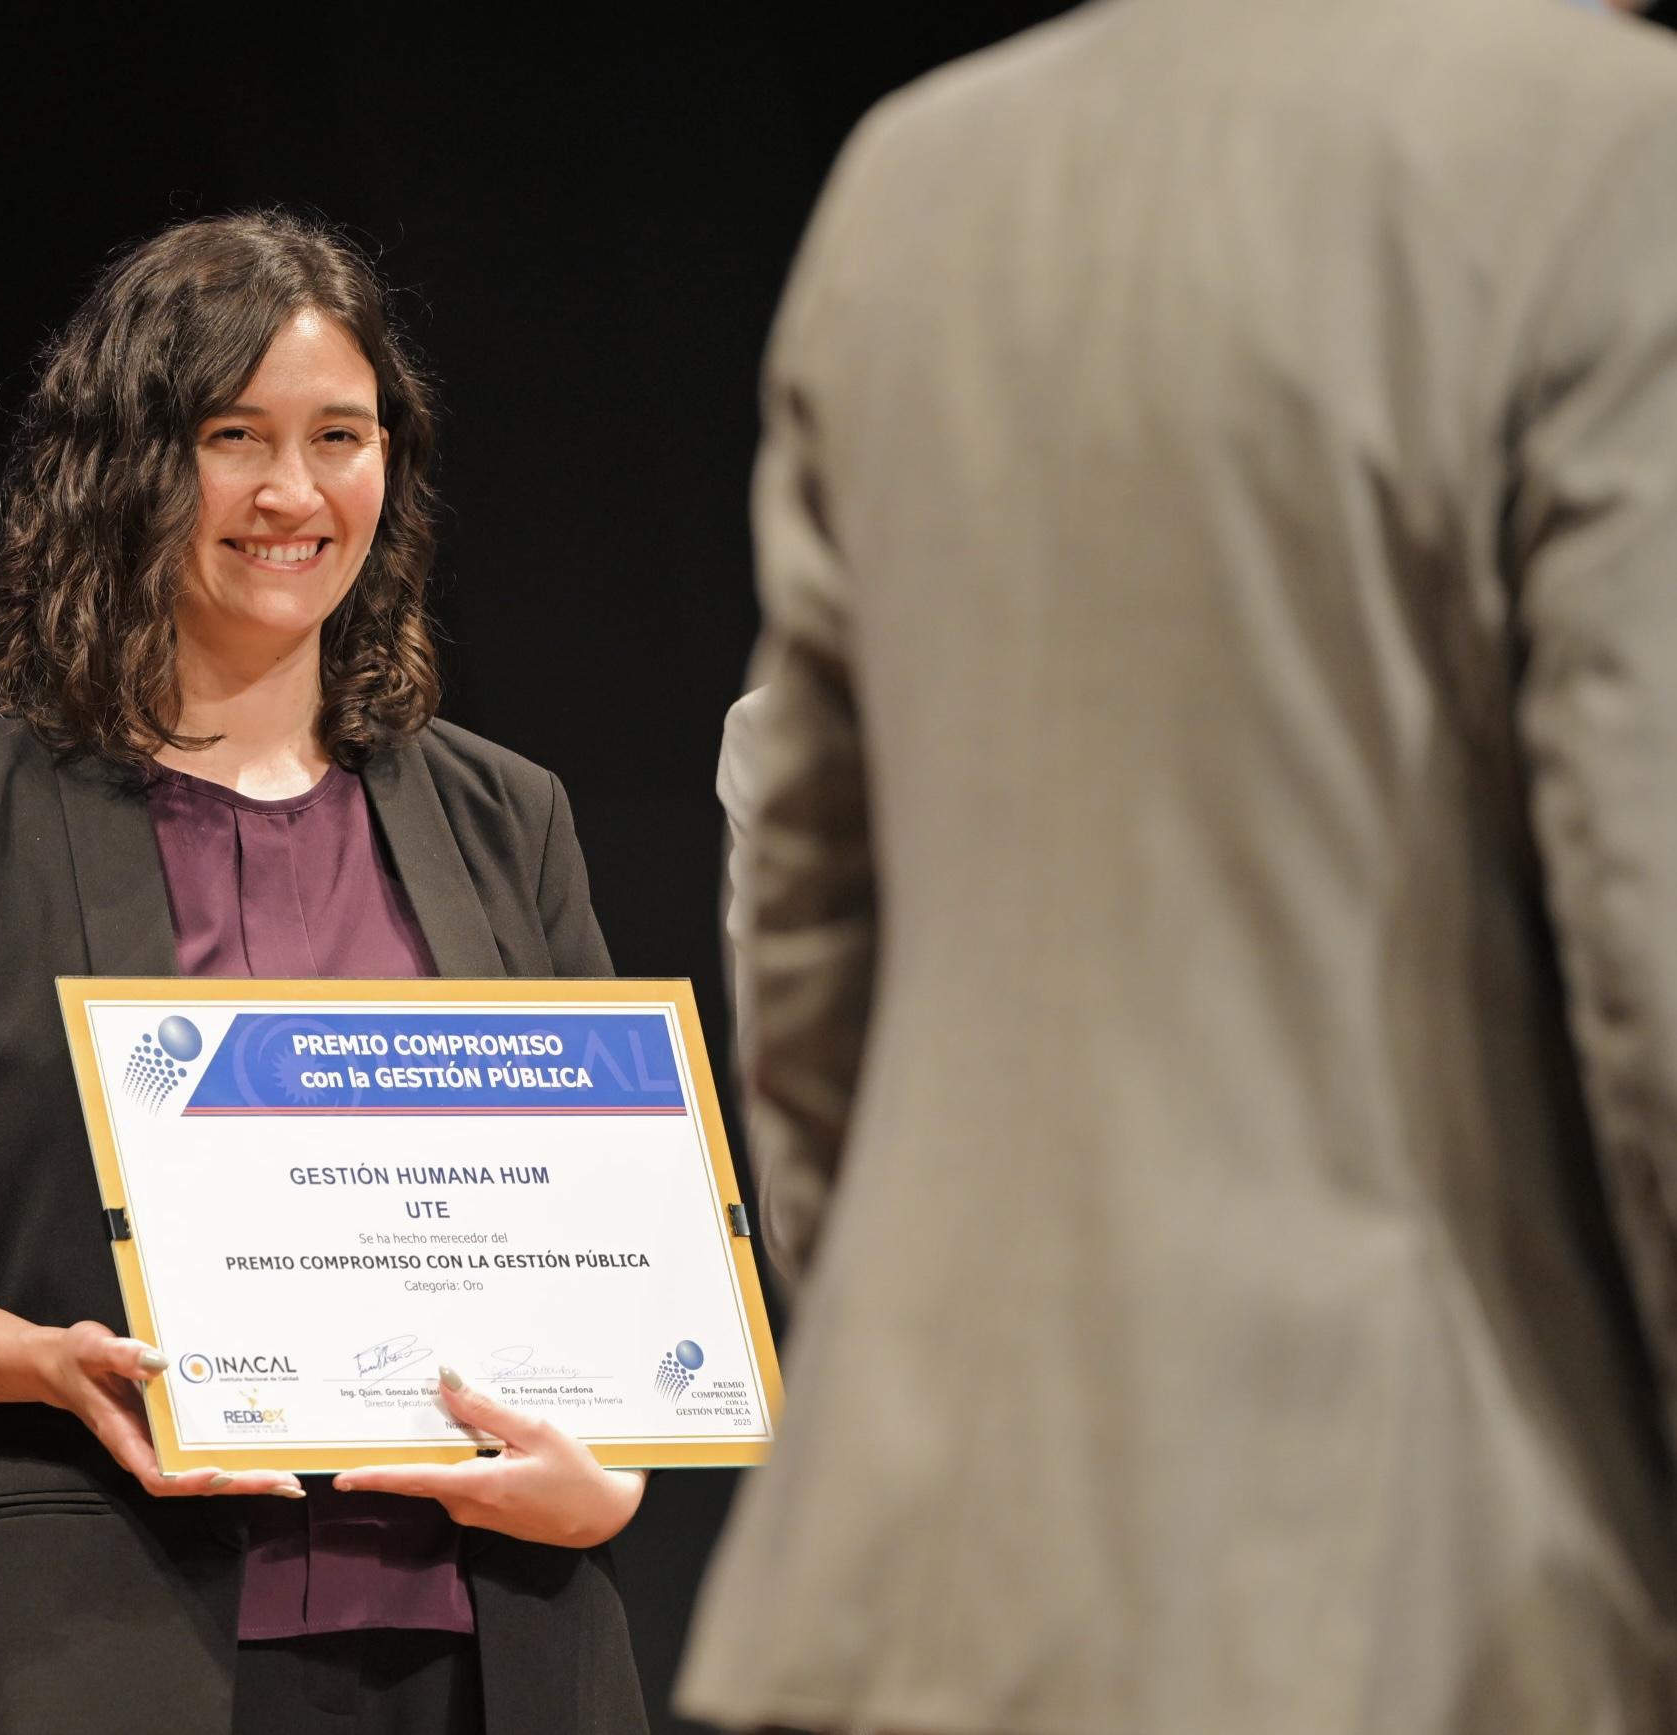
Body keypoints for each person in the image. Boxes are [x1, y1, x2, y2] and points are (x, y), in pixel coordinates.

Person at [678, 2, 1677, 1732]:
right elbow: (1651, 948)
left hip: (935, 1582)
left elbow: (812, 951)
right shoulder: (1607, 143)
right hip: (1427, 1594)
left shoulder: (913, 176)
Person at [0, 211, 649, 1735]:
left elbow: (614, 1241)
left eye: (338, 436)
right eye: (233, 437)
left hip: (501, 1643)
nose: (293, 492)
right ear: (124, 464)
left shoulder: (508, 816)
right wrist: (49, 1364)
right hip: (108, 1636)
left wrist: (609, 1479)